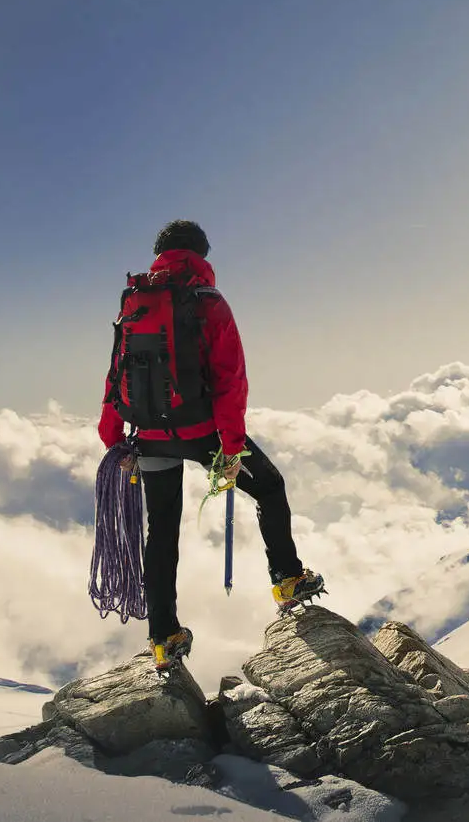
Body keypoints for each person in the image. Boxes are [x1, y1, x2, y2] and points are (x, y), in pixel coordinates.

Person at [99, 220, 324, 668]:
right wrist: (232, 448)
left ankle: (163, 637)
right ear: (202, 254)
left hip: (148, 437)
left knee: (161, 530)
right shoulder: (208, 303)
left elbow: (116, 372)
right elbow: (230, 381)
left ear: (159, 254)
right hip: (203, 433)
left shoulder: (135, 302)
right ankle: (287, 578)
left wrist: (113, 439)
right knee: (270, 487)